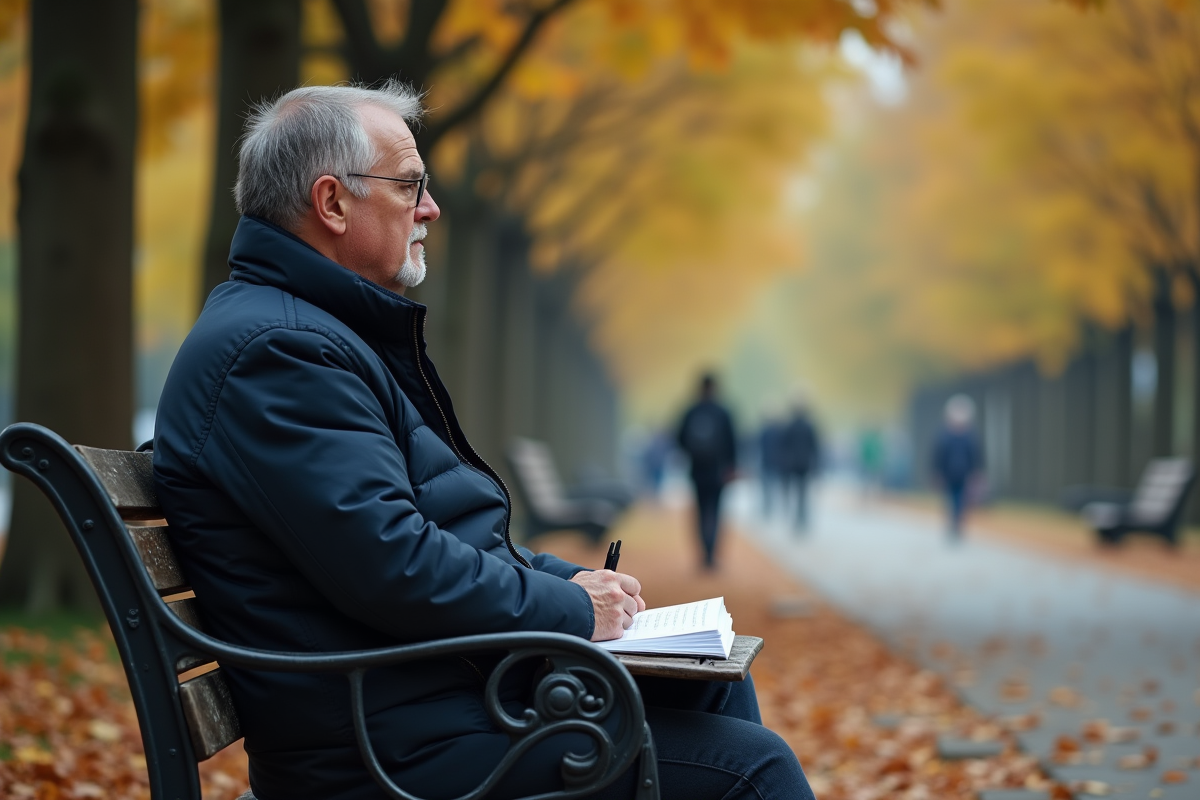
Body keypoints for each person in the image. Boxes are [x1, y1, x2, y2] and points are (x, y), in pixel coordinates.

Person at [151, 82, 812, 800]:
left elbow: (423, 540)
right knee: (753, 770)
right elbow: (392, 562)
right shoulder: (277, 353)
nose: (431, 208)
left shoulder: (311, 336)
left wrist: (571, 584)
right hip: (388, 756)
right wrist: (570, 610)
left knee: (711, 689)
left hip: (440, 702)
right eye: (410, 186)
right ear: (333, 203)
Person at [676, 373, 737, 569]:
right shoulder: (723, 412)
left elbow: (679, 438)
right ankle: (711, 553)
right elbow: (733, 441)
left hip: (697, 470)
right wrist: (731, 465)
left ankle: (703, 553)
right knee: (716, 511)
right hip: (718, 471)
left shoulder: (691, 411)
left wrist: (691, 455)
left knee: (700, 512)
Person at [931, 394, 984, 540]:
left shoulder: (970, 436)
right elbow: (938, 455)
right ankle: (954, 523)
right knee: (951, 500)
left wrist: (977, 473)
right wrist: (937, 472)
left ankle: (957, 524)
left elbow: (976, 455)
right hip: (948, 474)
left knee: (961, 500)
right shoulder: (944, 435)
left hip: (965, 474)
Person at [778, 401, 820, 532]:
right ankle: (801, 518)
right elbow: (814, 447)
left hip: (793, 464)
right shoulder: (808, 426)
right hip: (804, 463)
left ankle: (798, 518)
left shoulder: (790, 425)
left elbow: (784, 446)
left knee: (796, 492)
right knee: (802, 492)